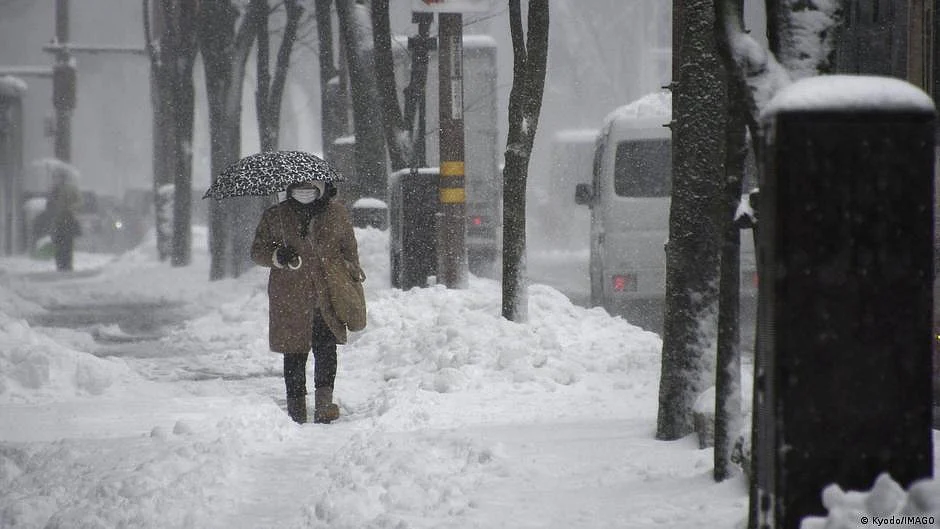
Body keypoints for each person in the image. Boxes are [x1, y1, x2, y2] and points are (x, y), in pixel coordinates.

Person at [250, 180, 363, 424]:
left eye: (310, 186)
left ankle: (324, 405)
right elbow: (257, 251)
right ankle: (296, 410)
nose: (304, 190)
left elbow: (350, 251)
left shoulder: (337, 214)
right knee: (293, 352)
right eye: (298, 186)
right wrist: (277, 256)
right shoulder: (275, 216)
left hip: (327, 293)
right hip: (289, 295)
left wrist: (348, 275)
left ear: (322, 186)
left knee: (326, 348)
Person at [47, 165, 82, 271]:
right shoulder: (54, 189)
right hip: (58, 220)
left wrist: (71, 207)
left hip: (68, 218)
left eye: (60, 177)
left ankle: (67, 264)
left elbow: (79, 201)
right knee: (58, 242)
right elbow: (50, 204)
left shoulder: (71, 189)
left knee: (67, 243)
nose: (59, 179)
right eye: (57, 177)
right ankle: (60, 264)